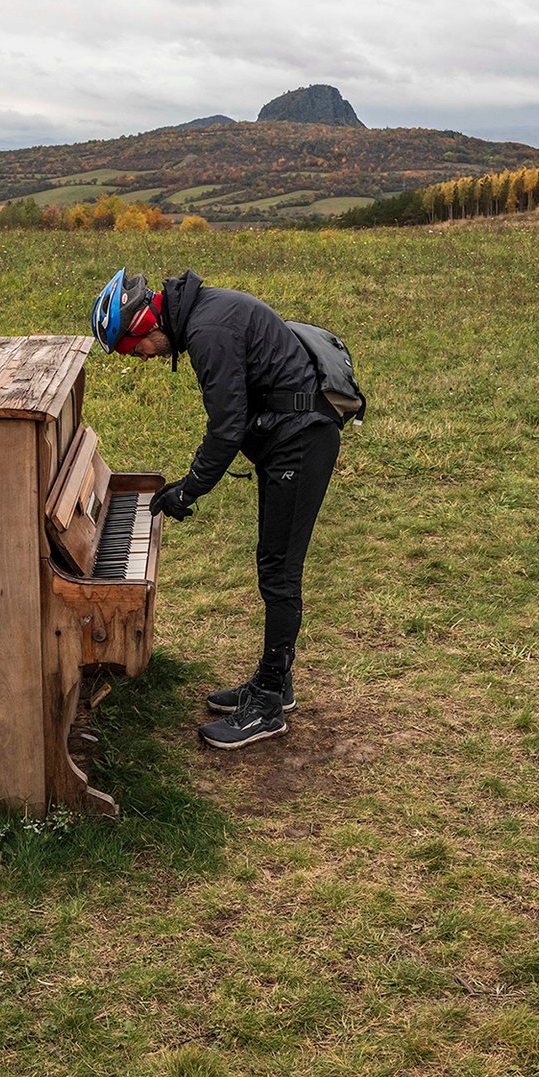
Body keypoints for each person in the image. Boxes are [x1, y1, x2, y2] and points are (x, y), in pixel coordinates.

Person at [90, 268, 342, 749]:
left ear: (146, 322)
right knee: (274, 566)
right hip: (290, 435)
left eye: (130, 347)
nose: (138, 357)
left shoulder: (207, 332)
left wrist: (189, 490)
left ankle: (267, 705)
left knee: (279, 572)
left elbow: (227, 427)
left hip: (301, 441)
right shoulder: (205, 315)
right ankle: (277, 682)